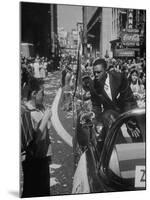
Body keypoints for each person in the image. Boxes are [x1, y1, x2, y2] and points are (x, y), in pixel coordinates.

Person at [21, 77, 52, 197]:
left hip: (42, 158)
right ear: (34, 94)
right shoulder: (28, 113)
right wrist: (45, 117)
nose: (43, 96)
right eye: (42, 93)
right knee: (34, 191)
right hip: (34, 161)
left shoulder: (37, 108)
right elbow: (35, 139)